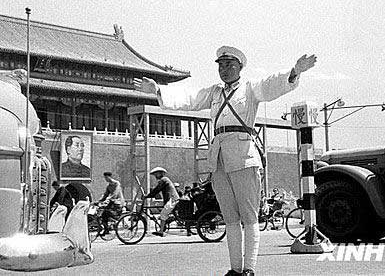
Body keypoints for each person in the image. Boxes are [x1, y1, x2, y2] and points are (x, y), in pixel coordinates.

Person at [134, 46, 316, 276]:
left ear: (240, 67)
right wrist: (158, 89)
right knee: (230, 217)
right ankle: (235, 269)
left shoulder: (251, 89)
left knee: (249, 217)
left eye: (230, 65)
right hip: (218, 159)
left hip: (243, 157)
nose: (224, 69)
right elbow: (191, 98)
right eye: (221, 65)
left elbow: (272, 85)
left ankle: (249, 268)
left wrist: (294, 71)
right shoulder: (214, 92)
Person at [143, 167, 180, 237]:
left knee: (163, 214)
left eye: (156, 174)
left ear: (161, 173)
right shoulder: (163, 180)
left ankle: (161, 231)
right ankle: (164, 225)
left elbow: (156, 190)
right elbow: (157, 190)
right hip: (171, 199)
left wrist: (147, 196)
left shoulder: (164, 180)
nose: (155, 176)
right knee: (164, 213)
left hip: (172, 199)